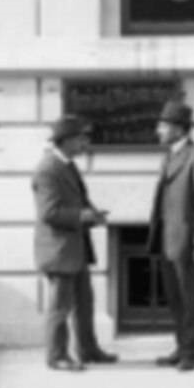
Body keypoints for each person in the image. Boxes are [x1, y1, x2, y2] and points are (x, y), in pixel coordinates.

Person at [32, 114, 118, 371]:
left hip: (74, 248)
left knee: (84, 302)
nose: (85, 143)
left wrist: (93, 214)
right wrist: (82, 216)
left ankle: (88, 350)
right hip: (59, 250)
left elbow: (78, 200)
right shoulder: (48, 169)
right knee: (60, 307)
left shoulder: (67, 165)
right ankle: (57, 356)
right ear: (66, 140)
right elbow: (49, 212)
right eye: (81, 138)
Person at [147, 96, 194, 372]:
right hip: (168, 240)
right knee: (175, 299)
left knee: (189, 300)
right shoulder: (170, 156)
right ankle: (181, 347)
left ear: (178, 129)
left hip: (188, 242)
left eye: (163, 126)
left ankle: (190, 353)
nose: (158, 131)